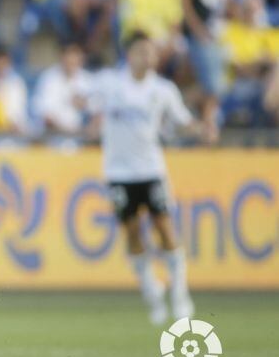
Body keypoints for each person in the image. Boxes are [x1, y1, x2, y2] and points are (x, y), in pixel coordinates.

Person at [88, 32, 217, 325]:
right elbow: (86, 101)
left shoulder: (163, 90)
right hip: (118, 173)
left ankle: (180, 294)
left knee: (164, 226)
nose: (147, 57)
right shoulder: (111, 85)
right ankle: (151, 290)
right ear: (128, 55)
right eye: (140, 51)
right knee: (132, 232)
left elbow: (182, 122)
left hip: (151, 170)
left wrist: (201, 129)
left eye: (151, 52)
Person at [32, 41, 92, 135]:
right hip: (53, 136)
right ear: (62, 57)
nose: (72, 61)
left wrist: (85, 104)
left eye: (76, 57)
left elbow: (98, 109)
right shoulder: (48, 79)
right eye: (69, 57)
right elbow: (43, 112)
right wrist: (62, 129)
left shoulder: (87, 80)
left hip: (81, 137)